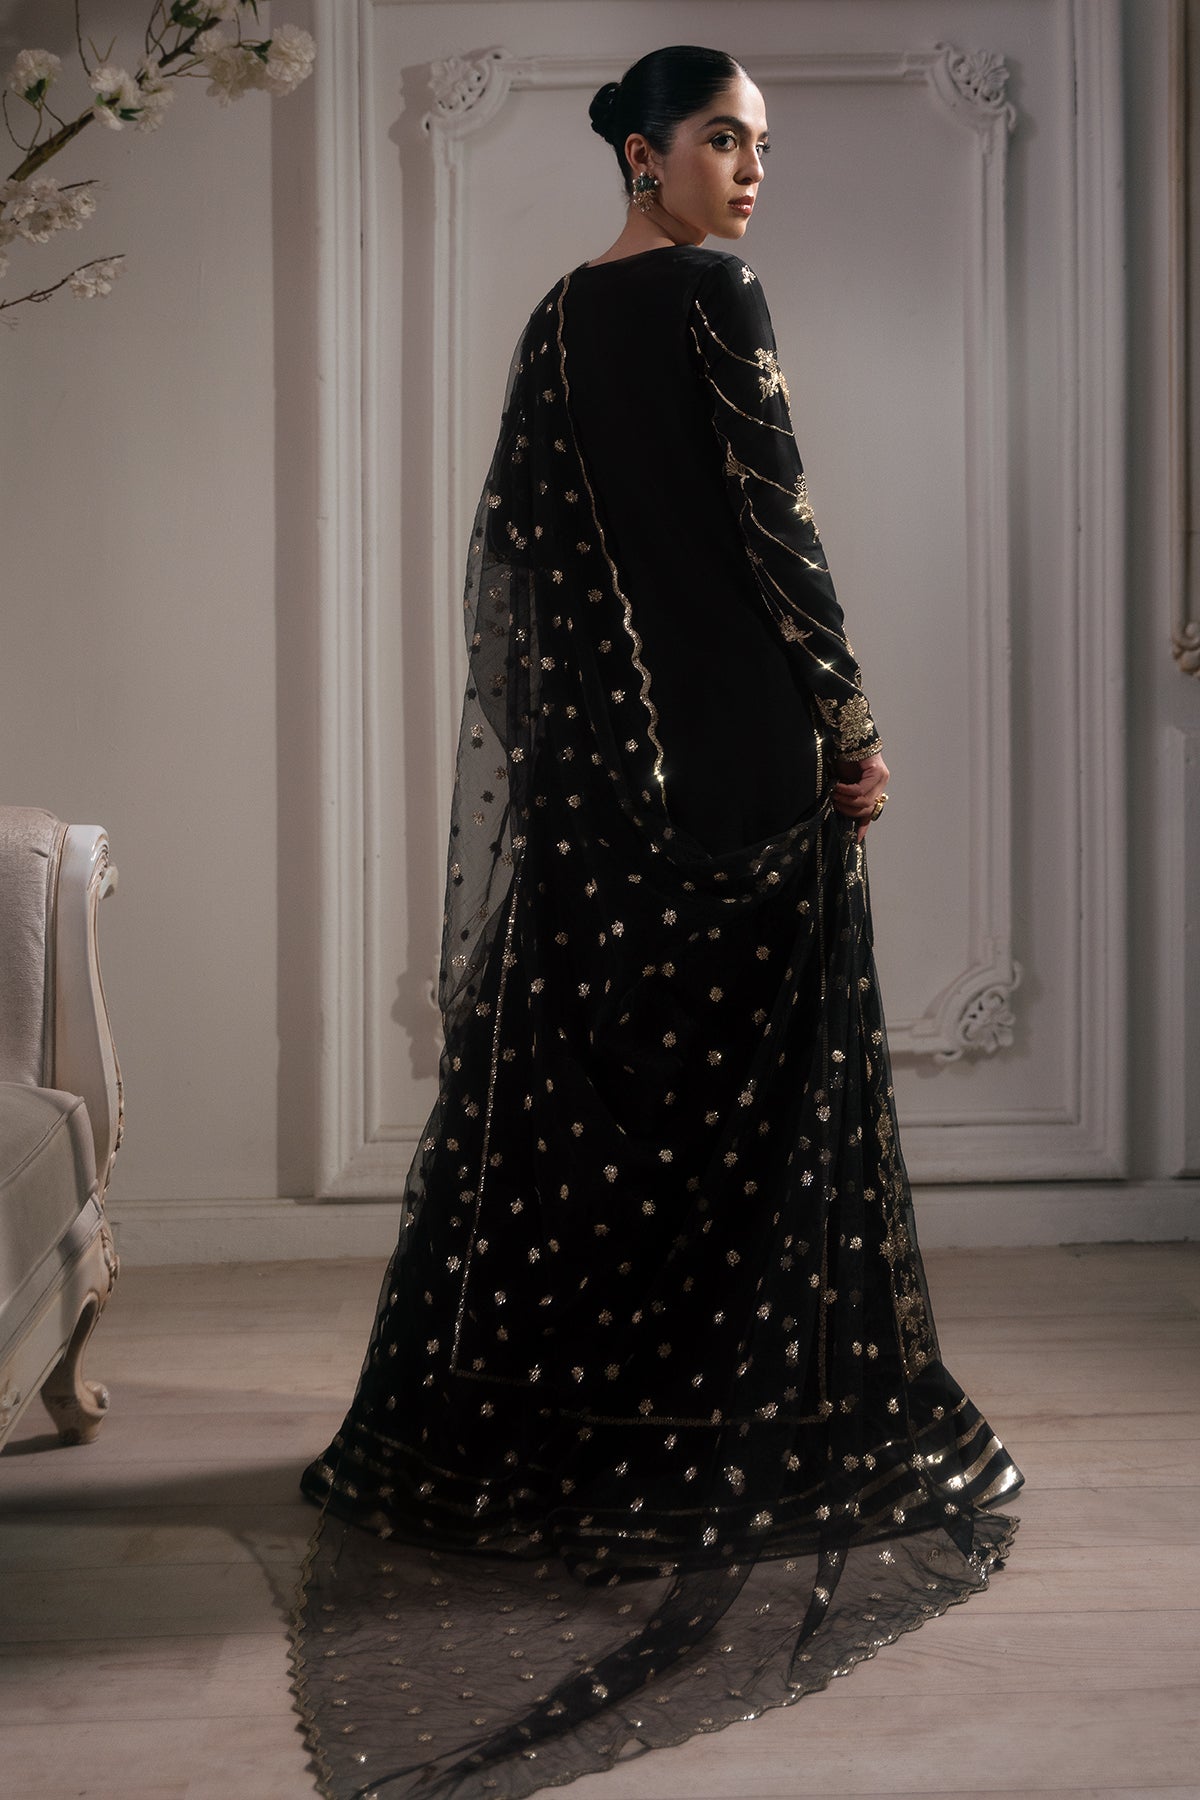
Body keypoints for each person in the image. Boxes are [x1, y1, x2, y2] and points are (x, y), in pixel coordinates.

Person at [292, 46, 1022, 1800]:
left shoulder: (558, 321)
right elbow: (778, 525)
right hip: (745, 752)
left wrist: (581, 758)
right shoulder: (715, 297)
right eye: (722, 139)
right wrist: (849, 723)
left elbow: (527, 568)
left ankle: (582, 1444)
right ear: (644, 151)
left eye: (758, 144)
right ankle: (733, 1435)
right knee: (752, 1109)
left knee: (609, 1109)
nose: (750, 170)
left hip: (601, 771)